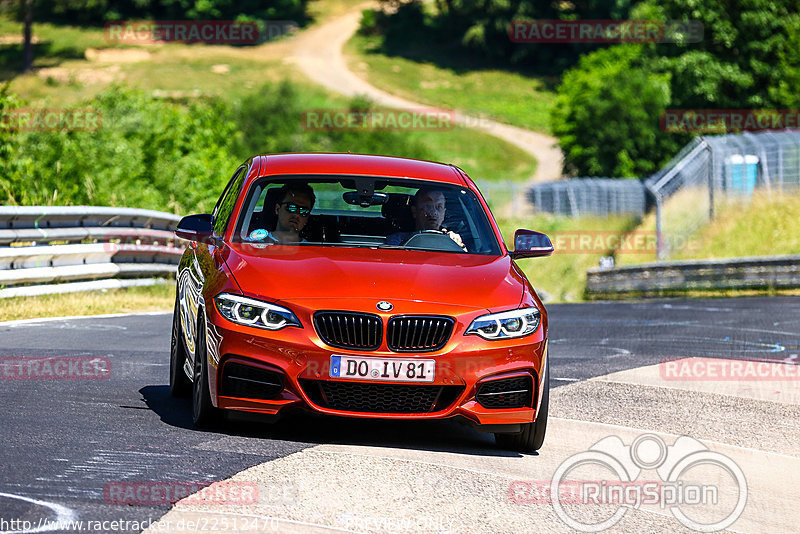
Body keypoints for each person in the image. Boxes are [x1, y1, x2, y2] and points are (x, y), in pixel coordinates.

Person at [386, 188, 466, 250]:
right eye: (428, 206)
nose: (434, 212)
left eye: (439, 207)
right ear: (414, 211)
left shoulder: (451, 240)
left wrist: (458, 246)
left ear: (444, 213)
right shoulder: (397, 240)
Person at [248, 182, 315, 244]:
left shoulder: (313, 250)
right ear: (277, 209)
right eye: (291, 208)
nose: (296, 214)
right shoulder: (252, 244)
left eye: (303, 211)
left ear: (307, 217)